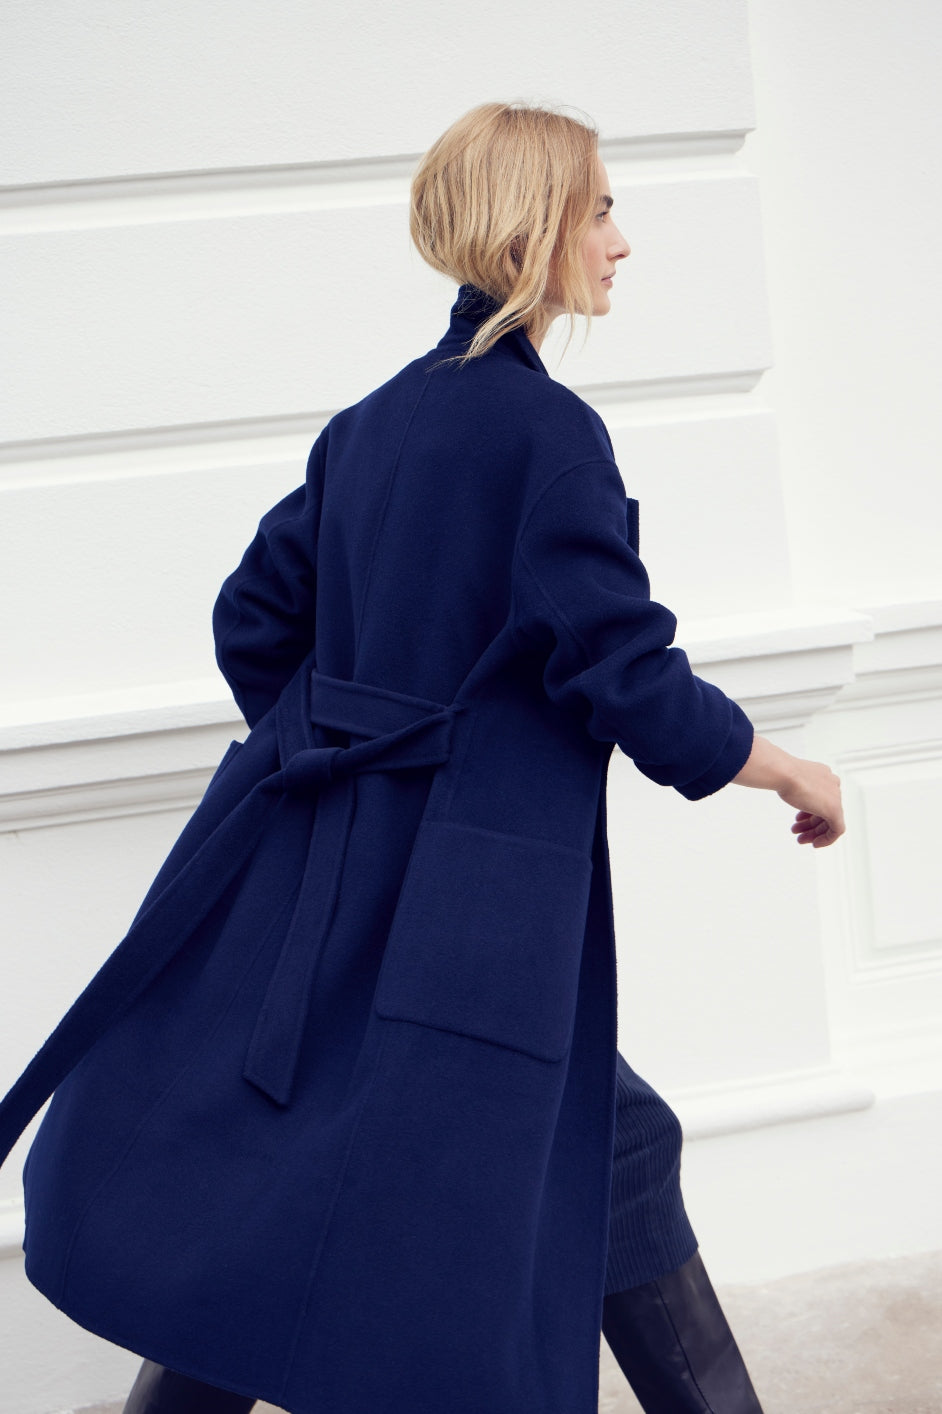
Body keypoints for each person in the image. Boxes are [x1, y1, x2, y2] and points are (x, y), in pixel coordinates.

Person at [0, 101, 843, 1414]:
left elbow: (254, 620)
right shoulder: (548, 437)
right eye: (600, 210)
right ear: (532, 230)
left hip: (338, 885)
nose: (621, 242)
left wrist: (347, 759)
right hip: (473, 905)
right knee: (604, 1144)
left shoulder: (372, 422)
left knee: (335, 1163)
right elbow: (621, 666)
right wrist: (787, 767)